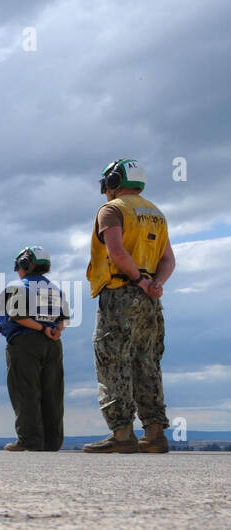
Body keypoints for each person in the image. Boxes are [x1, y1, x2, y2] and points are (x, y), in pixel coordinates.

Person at [83, 158, 176, 453]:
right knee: (147, 362)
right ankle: (155, 433)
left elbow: (117, 252)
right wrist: (154, 283)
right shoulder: (157, 214)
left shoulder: (112, 210)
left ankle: (122, 435)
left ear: (113, 182)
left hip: (120, 291)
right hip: (150, 300)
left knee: (113, 361)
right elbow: (168, 260)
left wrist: (138, 280)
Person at [0, 245, 69, 451]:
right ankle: (52, 442)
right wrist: (53, 331)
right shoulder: (56, 290)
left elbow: (17, 316)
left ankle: (29, 440)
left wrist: (41, 328)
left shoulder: (17, 288)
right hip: (54, 345)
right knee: (52, 392)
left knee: (25, 391)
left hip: (25, 343)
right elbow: (62, 320)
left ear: (25, 264)